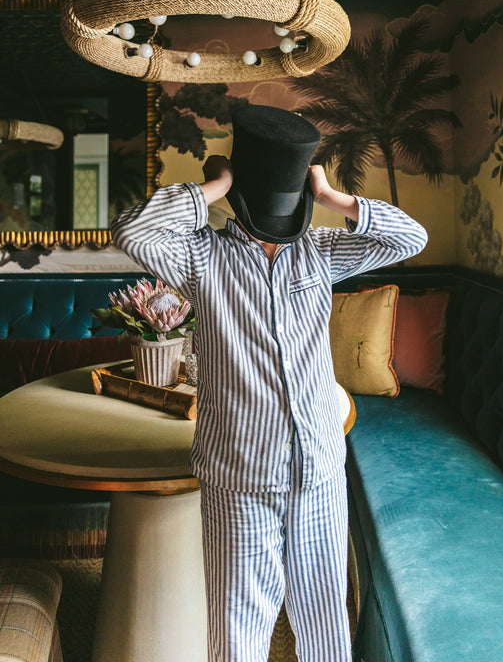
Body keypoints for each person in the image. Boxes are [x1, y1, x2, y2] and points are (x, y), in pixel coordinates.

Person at [111, 104, 428, 662]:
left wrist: (330, 196)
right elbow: (131, 229)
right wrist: (215, 185)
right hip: (240, 476)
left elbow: (411, 238)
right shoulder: (201, 257)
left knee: (326, 622)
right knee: (239, 627)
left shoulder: (320, 252)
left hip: (320, 469)